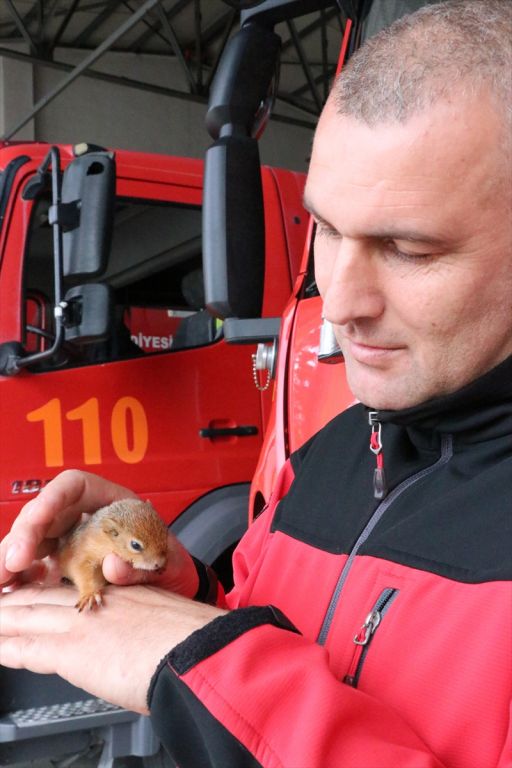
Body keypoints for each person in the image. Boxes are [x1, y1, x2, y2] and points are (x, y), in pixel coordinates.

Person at [1, 1, 511, 765]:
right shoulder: (334, 453)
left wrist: (220, 672)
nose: (337, 303)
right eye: (325, 229)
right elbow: (295, 633)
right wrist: (194, 603)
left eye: (409, 249)